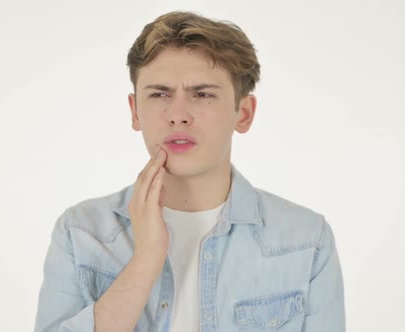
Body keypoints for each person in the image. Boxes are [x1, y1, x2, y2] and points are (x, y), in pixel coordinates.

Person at [34, 11, 345, 332]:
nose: (178, 115)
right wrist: (146, 259)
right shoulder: (81, 234)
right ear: (135, 111)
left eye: (203, 94)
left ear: (244, 113)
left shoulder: (306, 240)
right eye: (159, 94)